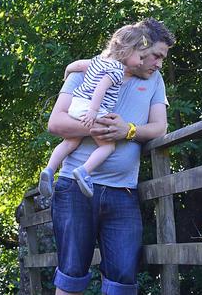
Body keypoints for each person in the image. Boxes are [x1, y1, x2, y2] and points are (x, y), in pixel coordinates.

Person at [48, 18, 175, 295]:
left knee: (122, 282)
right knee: (71, 275)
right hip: (73, 187)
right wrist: (100, 127)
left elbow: (159, 127)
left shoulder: (155, 80)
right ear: (138, 47)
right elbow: (55, 123)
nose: (158, 63)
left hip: (124, 193)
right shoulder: (93, 69)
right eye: (155, 56)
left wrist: (126, 130)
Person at [39, 25, 153, 198]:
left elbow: (76, 65)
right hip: (92, 108)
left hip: (76, 104)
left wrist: (66, 72)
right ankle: (84, 171)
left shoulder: (97, 61)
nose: (142, 62)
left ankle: (49, 169)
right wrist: (93, 111)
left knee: (71, 141)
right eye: (140, 57)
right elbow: (101, 87)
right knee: (108, 146)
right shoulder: (116, 70)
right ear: (127, 51)